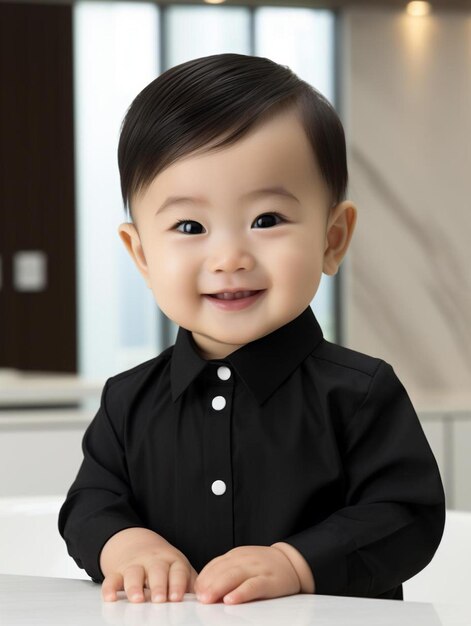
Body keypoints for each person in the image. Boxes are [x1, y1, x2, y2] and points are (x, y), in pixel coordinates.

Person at [58, 53, 445, 606]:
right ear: (141, 255)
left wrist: (299, 562)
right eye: (189, 226)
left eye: (267, 220)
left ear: (333, 239)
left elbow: (407, 515)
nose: (229, 257)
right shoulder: (128, 400)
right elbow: (91, 501)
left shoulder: (360, 392)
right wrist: (123, 543)